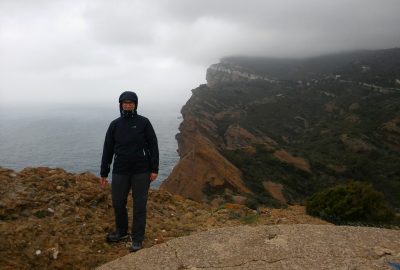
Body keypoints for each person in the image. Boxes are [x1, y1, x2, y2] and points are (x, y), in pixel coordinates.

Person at [100, 91, 159, 252]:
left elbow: (153, 145)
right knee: (118, 203)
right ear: (120, 105)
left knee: (139, 205)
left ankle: (138, 238)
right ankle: (121, 231)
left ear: (135, 104)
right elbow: (108, 149)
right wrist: (104, 172)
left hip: (141, 170)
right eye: (125, 102)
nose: (128, 105)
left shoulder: (144, 123)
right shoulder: (115, 124)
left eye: (131, 102)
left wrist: (154, 169)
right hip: (120, 170)